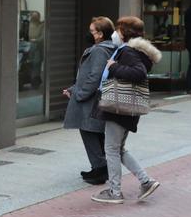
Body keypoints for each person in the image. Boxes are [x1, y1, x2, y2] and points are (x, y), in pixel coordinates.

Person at [91, 16, 162, 204]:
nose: (115, 32)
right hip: (125, 109)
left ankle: (115, 192)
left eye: (119, 28)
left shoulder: (128, 52)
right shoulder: (132, 51)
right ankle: (146, 181)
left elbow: (139, 73)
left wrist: (114, 67)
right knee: (118, 149)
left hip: (119, 108)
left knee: (111, 149)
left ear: (125, 33)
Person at [63, 17, 117, 185]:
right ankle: (99, 167)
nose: (90, 33)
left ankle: (100, 169)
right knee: (95, 132)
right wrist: (73, 89)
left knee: (89, 131)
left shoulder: (99, 51)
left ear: (100, 34)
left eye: (92, 31)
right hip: (96, 98)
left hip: (90, 100)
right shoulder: (108, 48)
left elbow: (94, 76)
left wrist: (80, 94)